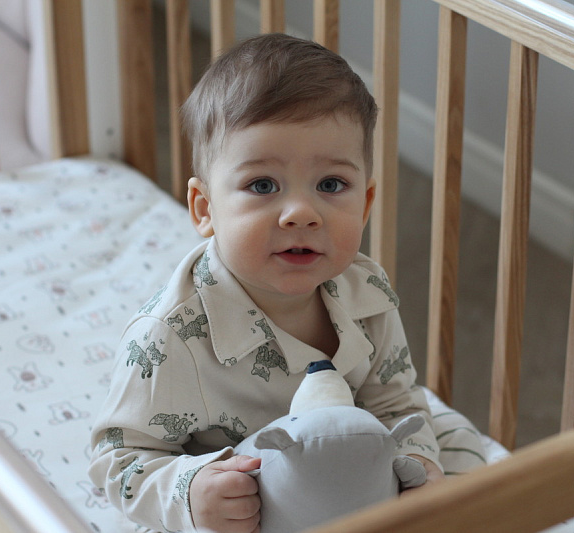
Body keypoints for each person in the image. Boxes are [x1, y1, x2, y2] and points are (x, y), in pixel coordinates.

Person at [88, 33, 444, 533]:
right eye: (262, 185)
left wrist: (417, 462)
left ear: (365, 204)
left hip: (345, 489)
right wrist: (192, 491)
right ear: (205, 208)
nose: (301, 212)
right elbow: (118, 459)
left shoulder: (368, 292)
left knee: (455, 450)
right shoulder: (168, 338)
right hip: (243, 511)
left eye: (330, 185)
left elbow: (395, 402)